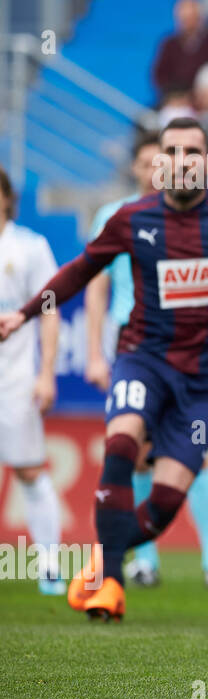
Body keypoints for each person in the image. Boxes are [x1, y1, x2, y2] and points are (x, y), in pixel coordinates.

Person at [0, 118, 208, 620]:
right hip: (142, 359)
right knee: (122, 444)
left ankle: (105, 558)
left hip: (205, 381)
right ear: (159, 162)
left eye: (193, 152)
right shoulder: (132, 218)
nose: (182, 160)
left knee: (165, 506)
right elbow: (81, 271)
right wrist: (23, 313)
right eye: (172, 151)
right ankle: (109, 586)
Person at [85, 133, 208, 589]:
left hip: (188, 351)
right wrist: (93, 352)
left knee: (193, 453)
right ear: (136, 168)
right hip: (132, 348)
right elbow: (95, 284)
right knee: (136, 455)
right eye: (150, 162)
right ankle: (141, 561)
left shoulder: (199, 217)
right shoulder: (114, 217)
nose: (157, 169)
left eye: (164, 160)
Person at [0, 165, 67, 595]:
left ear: (8, 198)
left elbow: (49, 308)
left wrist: (45, 374)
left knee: (28, 470)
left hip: (15, 374)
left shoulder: (29, 247)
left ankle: (48, 564)